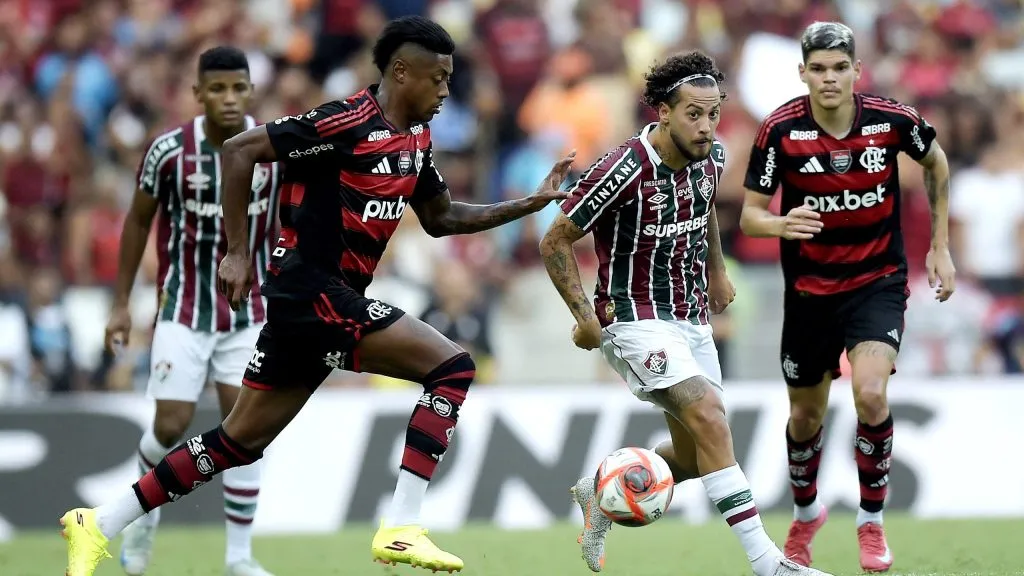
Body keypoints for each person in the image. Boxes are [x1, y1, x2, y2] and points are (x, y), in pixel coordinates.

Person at [60, 16, 574, 576]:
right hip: (312, 292)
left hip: (318, 303)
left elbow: (442, 217)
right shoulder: (344, 121)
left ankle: (99, 522)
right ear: (402, 72)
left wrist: (528, 204)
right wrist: (238, 252)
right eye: (439, 78)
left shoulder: (417, 140)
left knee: (238, 442)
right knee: (452, 367)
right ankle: (402, 527)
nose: (448, 90)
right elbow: (239, 151)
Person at [539, 50, 832, 576]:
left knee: (697, 456)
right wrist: (584, 317)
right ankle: (768, 563)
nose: (705, 126)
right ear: (664, 113)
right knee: (710, 417)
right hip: (633, 318)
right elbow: (554, 240)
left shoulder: (711, 156)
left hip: (690, 317)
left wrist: (717, 271)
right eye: (693, 114)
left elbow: (705, 207)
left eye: (713, 113)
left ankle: (601, 490)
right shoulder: (622, 168)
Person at [739, 21, 956, 574]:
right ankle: (806, 514)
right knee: (805, 416)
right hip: (809, 294)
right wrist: (781, 223)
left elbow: (936, 162)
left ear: (857, 70)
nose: (829, 78)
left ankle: (871, 522)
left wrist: (939, 247)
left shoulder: (892, 120)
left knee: (871, 394)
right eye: (819, 69)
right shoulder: (780, 130)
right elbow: (750, 217)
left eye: (840, 68)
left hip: (876, 282)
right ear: (803, 73)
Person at [104, 46, 279, 576]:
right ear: (198, 92)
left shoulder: (274, 147)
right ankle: (142, 519)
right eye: (217, 88)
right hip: (183, 308)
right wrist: (120, 303)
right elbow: (138, 221)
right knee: (170, 424)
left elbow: (290, 218)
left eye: (238, 87)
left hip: (249, 313)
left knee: (245, 432)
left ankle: (239, 558)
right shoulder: (168, 152)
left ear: (251, 90)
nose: (228, 98)